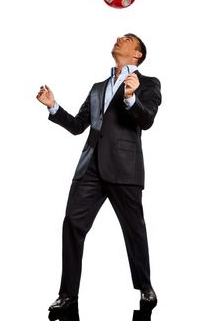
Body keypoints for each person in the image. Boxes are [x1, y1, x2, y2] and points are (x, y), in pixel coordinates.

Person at [36, 33, 162, 315]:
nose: (119, 39)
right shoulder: (98, 87)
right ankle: (67, 294)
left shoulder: (148, 83)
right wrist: (53, 106)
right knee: (72, 224)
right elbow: (79, 125)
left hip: (125, 169)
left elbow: (148, 119)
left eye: (127, 39)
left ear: (137, 54)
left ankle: (145, 287)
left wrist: (131, 97)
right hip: (90, 167)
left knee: (134, 230)